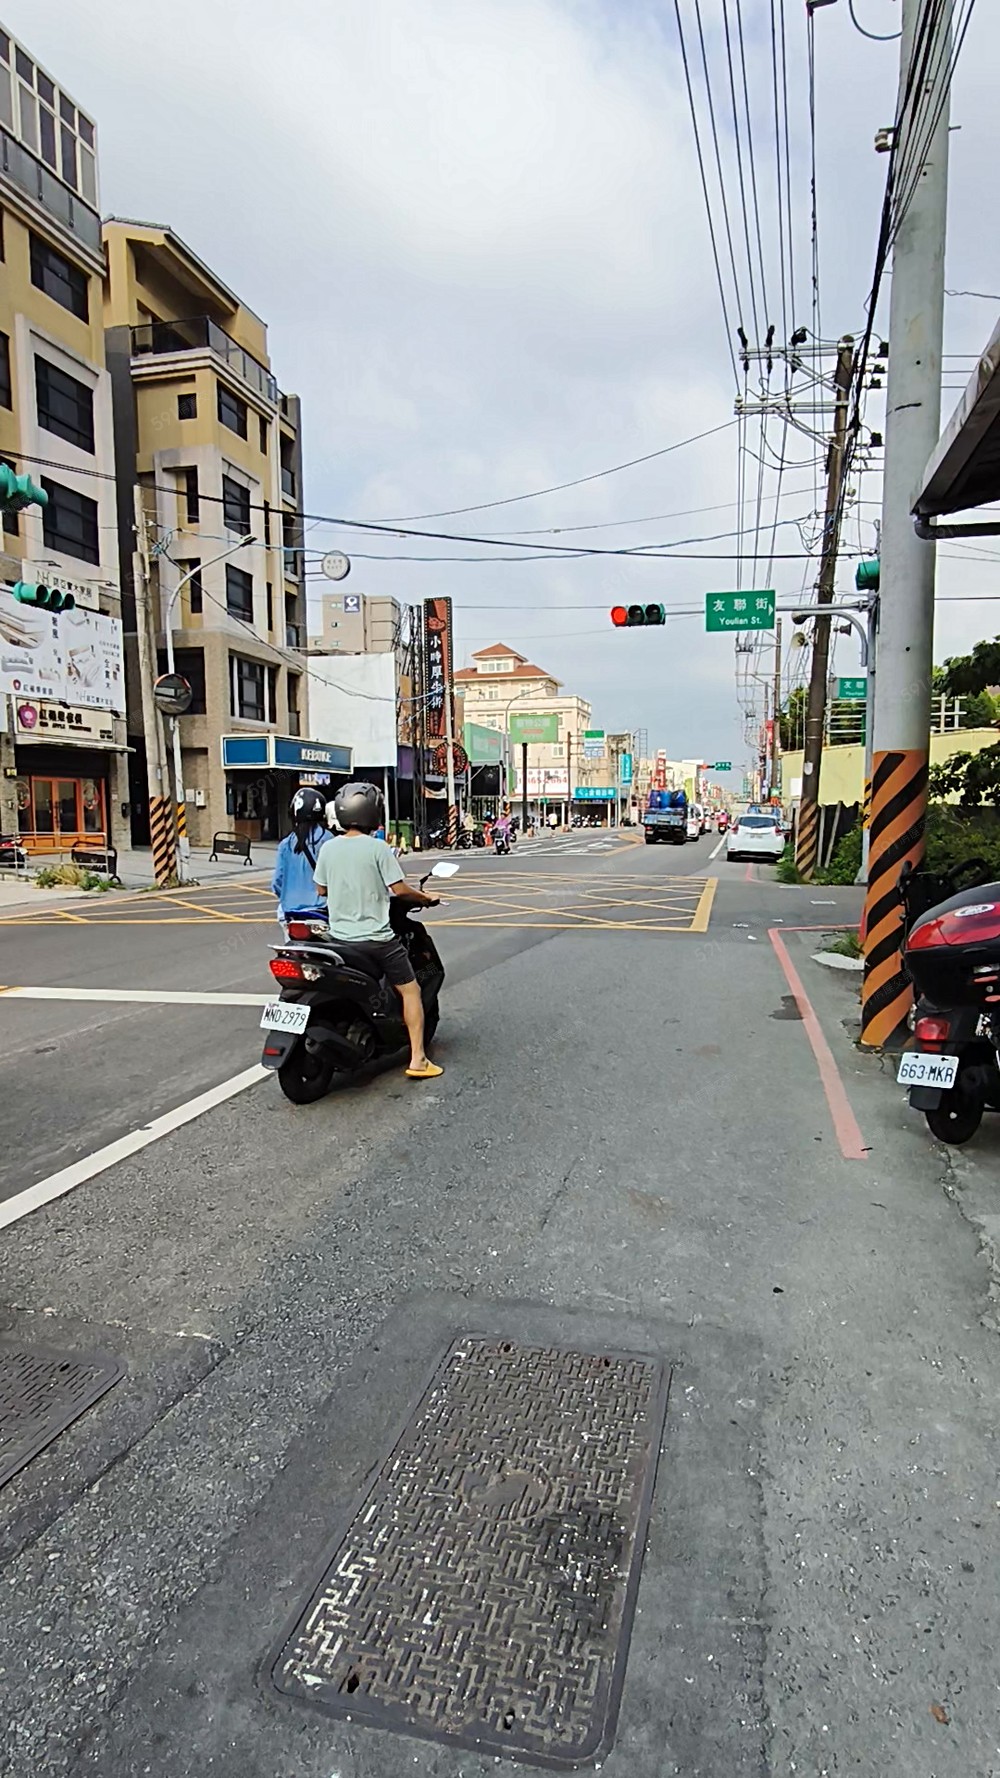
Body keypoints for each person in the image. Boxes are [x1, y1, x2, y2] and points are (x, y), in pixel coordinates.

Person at [314, 781, 443, 1079]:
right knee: (411, 990)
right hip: (377, 941)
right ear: (374, 812)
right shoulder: (378, 848)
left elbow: (321, 889)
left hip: (339, 940)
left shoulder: (328, 849)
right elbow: (399, 889)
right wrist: (426, 898)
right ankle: (418, 1060)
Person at [271, 786, 332, 920]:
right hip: (322, 910)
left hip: (290, 912)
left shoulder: (286, 844)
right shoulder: (329, 840)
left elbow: (277, 882)